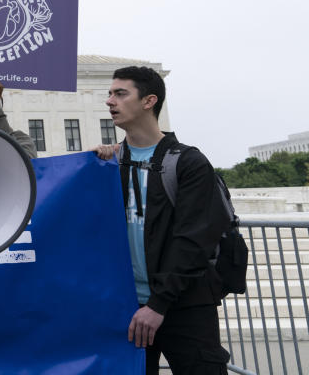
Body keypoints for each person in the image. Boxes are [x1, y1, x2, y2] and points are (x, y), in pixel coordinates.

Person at [94, 66, 229, 375]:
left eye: (120, 93)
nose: (109, 101)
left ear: (148, 101)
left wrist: (158, 305)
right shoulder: (108, 163)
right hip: (127, 305)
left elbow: (194, 241)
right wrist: (87, 166)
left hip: (184, 305)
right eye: (109, 94)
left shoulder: (188, 162)